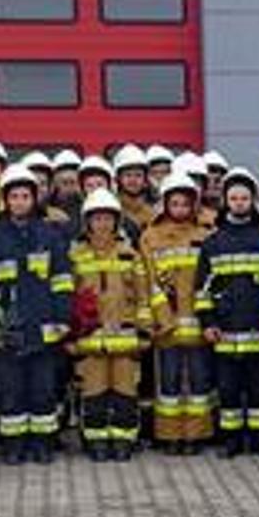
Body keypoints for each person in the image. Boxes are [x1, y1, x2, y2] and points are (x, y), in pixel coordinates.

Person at [0, 168, 75, 465]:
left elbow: (62, 281)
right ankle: (13, 445)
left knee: (42, 390)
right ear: (5, 200)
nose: (19, 202)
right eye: (14, 196)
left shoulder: (49, 235)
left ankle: (41, 444)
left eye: (25, 196)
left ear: (34, 199)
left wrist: (63, 319)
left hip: (44, 327)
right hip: (6, 330)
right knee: (10, 391)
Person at [197, 169, 259, 458]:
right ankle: (232, 441)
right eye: (233, 198)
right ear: (225, 201)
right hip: (225, 330)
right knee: (228, 390)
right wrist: (208, 323)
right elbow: (202, 290)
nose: (238, 202)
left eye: (244, 197)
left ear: (254, 201)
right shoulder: (212, 243)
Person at [70, 188, 153, 462]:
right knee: (93, 393)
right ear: (87, 222)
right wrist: (70, 335)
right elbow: (68, 298)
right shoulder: (76, 257)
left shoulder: (130, 255)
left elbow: (144, 296)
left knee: (125, 393)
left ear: (117, 222)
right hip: (91, 340)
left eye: (108, 218)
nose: (103, 224)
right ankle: (96, 441)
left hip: (125, 339)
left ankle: (123, 440)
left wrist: (144, 331)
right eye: (97, 218)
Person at [142, 172, 217, 454]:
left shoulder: (206, 234)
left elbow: (211, 279)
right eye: (175, 204)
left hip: (197, 323)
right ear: (165, 204)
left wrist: (208, 318)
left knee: (199, 384)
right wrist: (162, 319)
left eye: (186, 204)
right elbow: (148, 280)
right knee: (169, 387)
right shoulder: (150, 236)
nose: (180, 210)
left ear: (194, 204)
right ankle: (170, 436)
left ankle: (195, 437)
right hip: (167, 326)